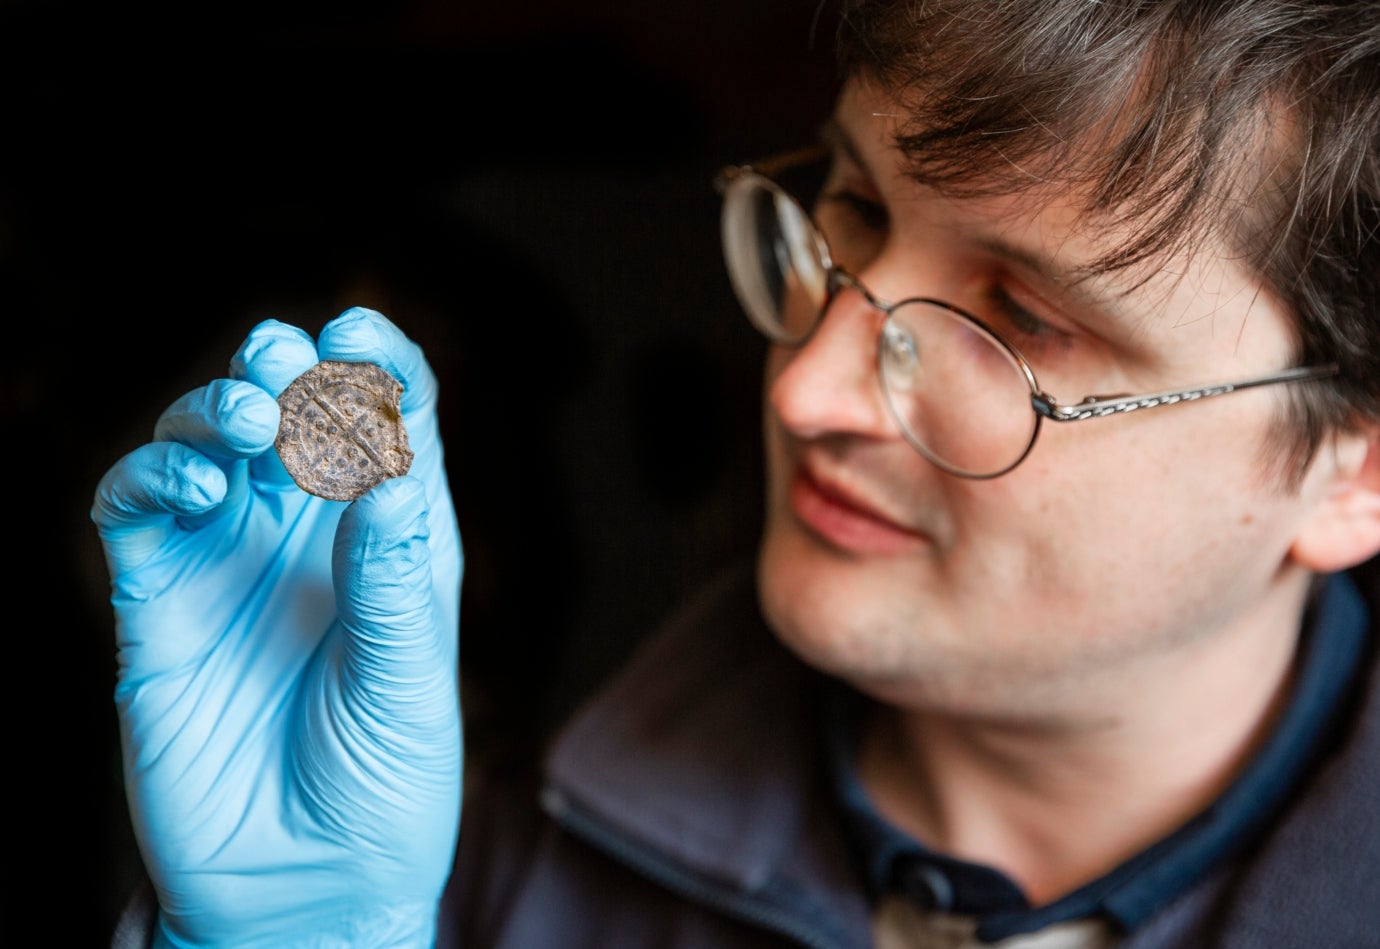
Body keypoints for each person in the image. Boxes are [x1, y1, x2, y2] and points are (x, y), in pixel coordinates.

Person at [94, 0, 1380, 946]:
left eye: (1023, 324)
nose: (802, 385)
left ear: (1355, 469)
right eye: (859, 212)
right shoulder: (484, 870)